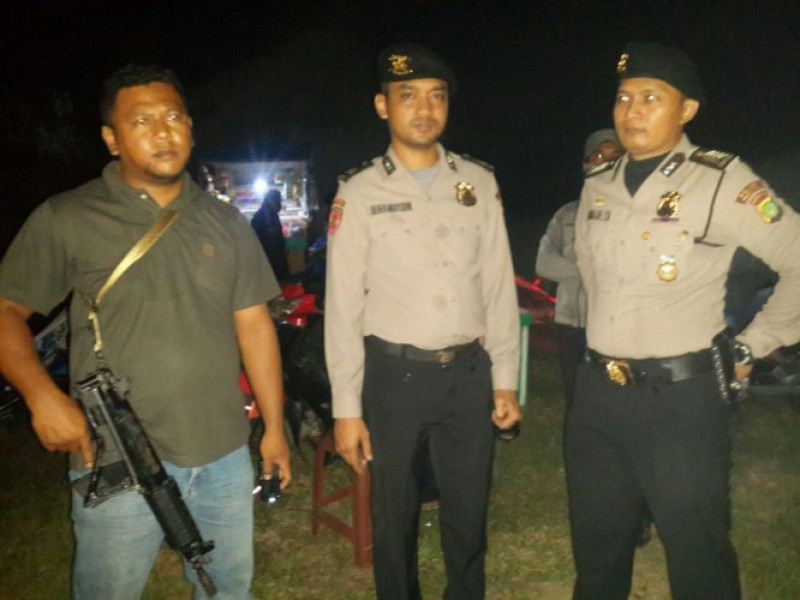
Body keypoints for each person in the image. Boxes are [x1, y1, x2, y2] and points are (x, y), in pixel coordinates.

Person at [0, 64, 291, 599]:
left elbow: (253, 325)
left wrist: (274, 426)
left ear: (191, 128)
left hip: (224, 451)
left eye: (174, 117)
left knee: (228, 590)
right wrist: (42, 397)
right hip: (117, 453)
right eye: (141, 121)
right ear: (112, 139)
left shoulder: (226, 222)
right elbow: (6, 311)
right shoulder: (68, 216)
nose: (163, 132)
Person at [568, 42, 800, 600]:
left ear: (687, 110)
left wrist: (751, 346)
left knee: (697, 553)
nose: (632, 111)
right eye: (624, 98)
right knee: (597, 548)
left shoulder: (719, 180)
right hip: (597, 396)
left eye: (651, 98)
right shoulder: (599, 185)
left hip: (680, 401)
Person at [324, 43, 521, 600]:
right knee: (394, 517)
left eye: (436, 96)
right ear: (382, 106)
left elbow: (497, 285)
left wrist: (504, 378)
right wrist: (346, 408)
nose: (424, 109)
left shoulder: (478, 182)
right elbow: (342, 306)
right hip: (395, 377)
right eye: (408, 96)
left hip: (468, 375)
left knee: (468, 513)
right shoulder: (359, 191)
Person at [536, 128, 622, 411]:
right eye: (598, 156)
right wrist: (588, 269)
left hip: (614, 322)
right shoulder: (567, 214)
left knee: (612, 397)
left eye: (614, 156)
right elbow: (543, 263)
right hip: (570, 324)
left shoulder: (633, 215)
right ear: (586, 165)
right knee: (575, 394)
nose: (606, 162)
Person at [251, 188, 290, 282]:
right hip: (267, 259)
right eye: (278, 201)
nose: (280, 204)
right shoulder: (260, 217)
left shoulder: (272, 215)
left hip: (275, 257)